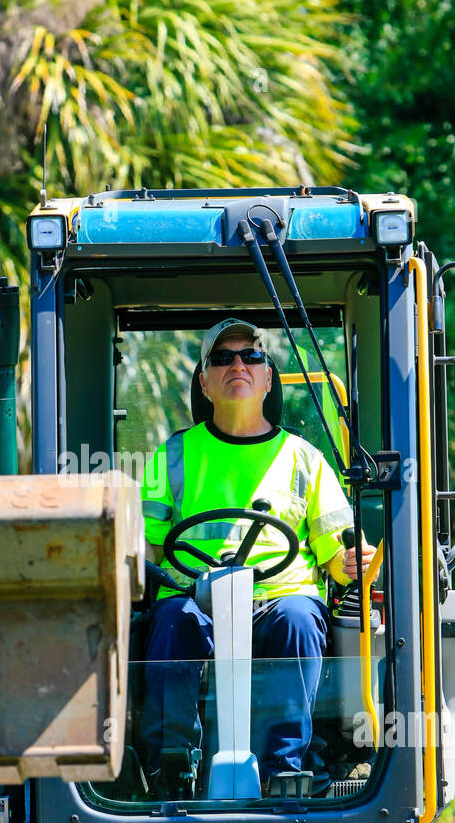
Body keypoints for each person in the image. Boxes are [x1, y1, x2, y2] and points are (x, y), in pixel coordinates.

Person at [139, 318, 378, 797]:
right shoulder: (173, 455)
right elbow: (143, 550)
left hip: (277, 598)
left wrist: (353, 560)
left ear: (268, 377)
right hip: (195, 599)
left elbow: (338, 555)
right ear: (204, 382)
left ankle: (284, 771)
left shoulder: (305, 459)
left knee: (299, 618)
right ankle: (171, 766)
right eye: (222, 357)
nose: (237, 365)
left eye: (251, 356)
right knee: (170, 619)